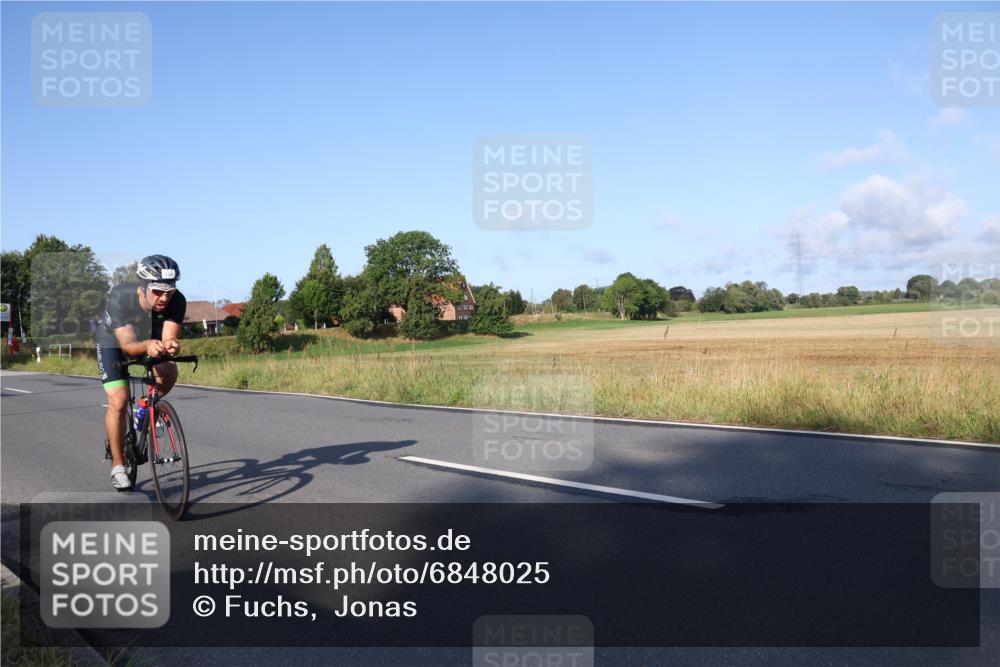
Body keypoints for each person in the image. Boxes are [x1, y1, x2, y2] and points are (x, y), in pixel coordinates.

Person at [95, 255, 187, 490]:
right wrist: (147, 346)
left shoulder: (176, 302)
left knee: (169, 370)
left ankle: (145, 407)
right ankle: (117, 466)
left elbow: (169, 336)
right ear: (143, 288)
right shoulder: (121, 298)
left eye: (170, 291)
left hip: (147, 336)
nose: (164, 297)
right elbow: (127, 347)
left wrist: (172, 345)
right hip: (113, 342)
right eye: (157, 291)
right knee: (119, 400)